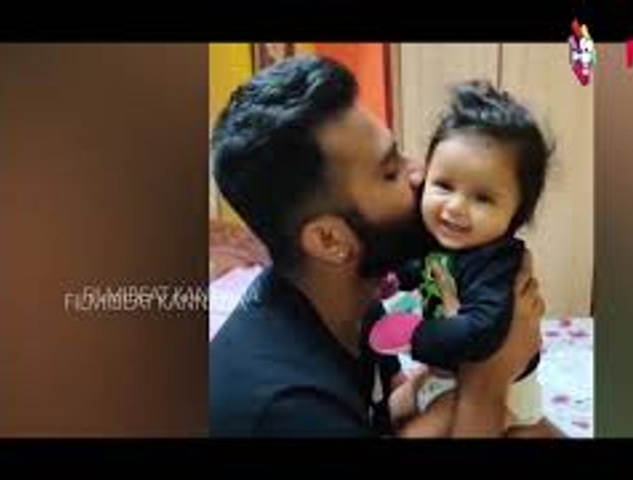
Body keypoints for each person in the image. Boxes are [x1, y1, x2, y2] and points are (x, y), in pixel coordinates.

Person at [209, 55, 546, 437]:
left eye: (399, 152)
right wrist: (487, 379)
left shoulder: (350, 301)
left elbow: (388, 412)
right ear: (330, 240)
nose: (420, 174)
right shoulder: (293, 410)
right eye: (390, 171)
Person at [371, 80, 553, 431]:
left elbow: (481, 330)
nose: (455, 207)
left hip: (498, 388)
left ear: (516, 215)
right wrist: (397, 278)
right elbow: (424, 266)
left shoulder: (497, 265)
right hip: (444, 373)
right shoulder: (443, 237)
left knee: (422, 427)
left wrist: (416, 336)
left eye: (482, 198)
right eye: (444, 185)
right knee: (390, 412)